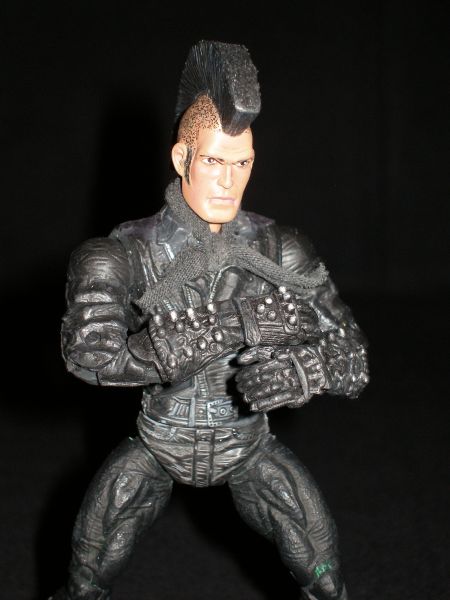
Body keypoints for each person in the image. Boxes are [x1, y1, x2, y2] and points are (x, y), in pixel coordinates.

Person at [51, 41, 369, 600]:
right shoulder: (123, 254)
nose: (228, 182)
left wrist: (304, 371)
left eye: (241, 164)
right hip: (159, 440)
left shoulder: (280, 248)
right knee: (86, 574)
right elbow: (90, 356)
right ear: (182, 159)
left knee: (323, 574)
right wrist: (232, 324)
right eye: (214, 162)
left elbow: (352, 353)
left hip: (247, 444)